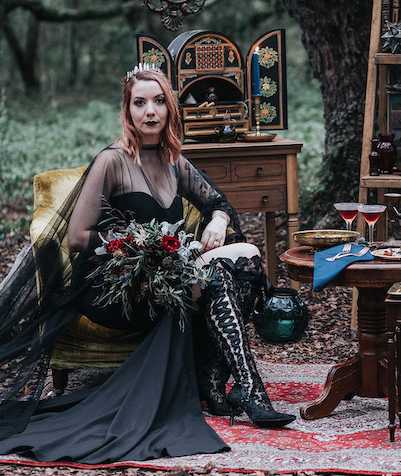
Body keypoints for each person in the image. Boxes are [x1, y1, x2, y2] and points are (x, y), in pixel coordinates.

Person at [0, 65, 295, 464]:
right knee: (218, 275)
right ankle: (241, 387)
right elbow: (77, 238)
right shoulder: (112, 160)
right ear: (128, 110)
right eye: (140, 103)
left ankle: (227, 384)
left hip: (166, 278)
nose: (150, 112)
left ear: (170, 108)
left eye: (158, 101)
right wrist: (138, 245)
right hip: (115, 287)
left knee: (242, 262)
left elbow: (217, 202)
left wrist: (220, 220)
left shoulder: (175, 161)